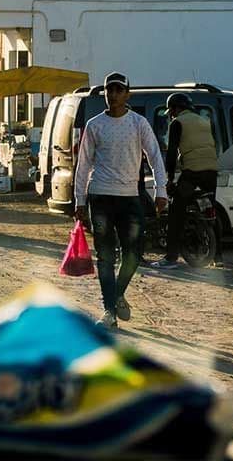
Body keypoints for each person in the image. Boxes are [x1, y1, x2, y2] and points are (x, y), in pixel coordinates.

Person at [74, 72, 168, 330]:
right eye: (109, 90)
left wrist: (161, 191)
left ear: (127, 94)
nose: (113, 94)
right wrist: (79, 200)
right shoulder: (94, 125)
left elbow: (155, 157)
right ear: (104, 93)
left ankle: (116, 295)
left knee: (134, 254)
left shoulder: (138, 124)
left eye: (118, 90)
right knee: (105, 257)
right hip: (101, 197)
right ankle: (109, 311)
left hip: (129, 198)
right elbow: (83, 165)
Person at [151, 92, 220, 269]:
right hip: (211, 172)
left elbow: (172, 152)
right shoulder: (204, 122)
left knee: (176, 212)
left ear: (175, 108)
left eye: (171, 111)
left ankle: (171, 258)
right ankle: (217, 255)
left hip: (193, 172)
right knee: (210, 210)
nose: (171, 115)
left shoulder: (177, 123)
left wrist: (170, 178)